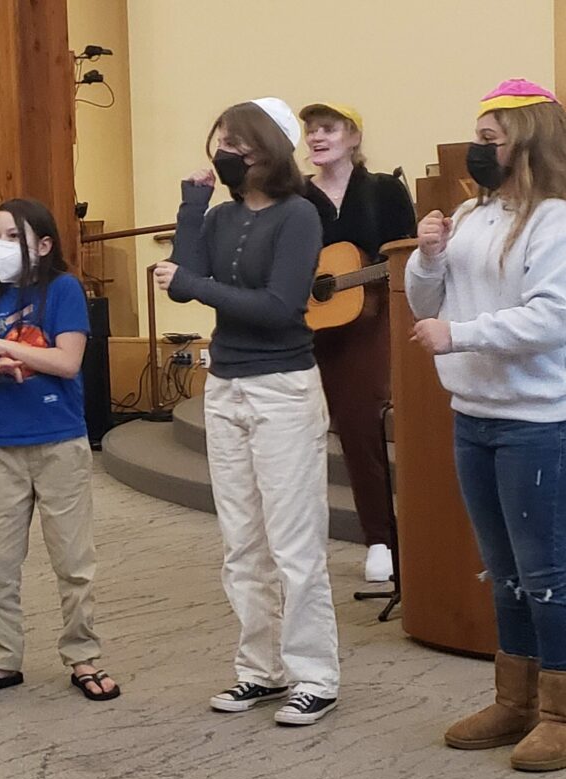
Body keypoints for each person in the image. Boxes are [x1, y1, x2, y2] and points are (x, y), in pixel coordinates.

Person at [153, 98, 339, 725]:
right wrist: (189, 206)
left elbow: (278, 306)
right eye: (221, 140)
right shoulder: (219, 217)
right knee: (241, 544)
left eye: (238, 141)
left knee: (294, 543)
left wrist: (193, 281)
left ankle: (316, 675)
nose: (224, 151)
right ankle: (261, 671)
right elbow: (184, 280)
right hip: (226, 386)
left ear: (270, 149)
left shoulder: (299, 216)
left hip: (282, 386)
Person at [407, 78, 566, 772]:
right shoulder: (473, 214)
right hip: (473, 415)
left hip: (536, 423)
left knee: (548, 575)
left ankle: (560, 711)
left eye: (489, 140)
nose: (476, 150)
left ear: (526, 142)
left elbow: (551, 317)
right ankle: (517, 700)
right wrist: (429, 256)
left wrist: (461, 334)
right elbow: (424, 298)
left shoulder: (555, 220)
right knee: (501, 572)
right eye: (477, 137)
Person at [0, 198, 120, 702]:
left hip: (59, 442)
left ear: (44, 245)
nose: (2, 246)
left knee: (73, 560)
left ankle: (83, 657)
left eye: (14, 237)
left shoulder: (63, 289)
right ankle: (0, 658)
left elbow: (67, 362)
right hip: (1, 445)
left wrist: (5, 348)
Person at [300, 102, 417, 582]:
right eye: (310, 131)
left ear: (352, 136)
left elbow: (403, 257)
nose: (316, 137)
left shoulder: (383, 191)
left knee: (361, 427)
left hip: (368, 324)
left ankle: (382, 540)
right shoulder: (297, 198)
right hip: (305, 326)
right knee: (298, 433)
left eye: (327, 129)